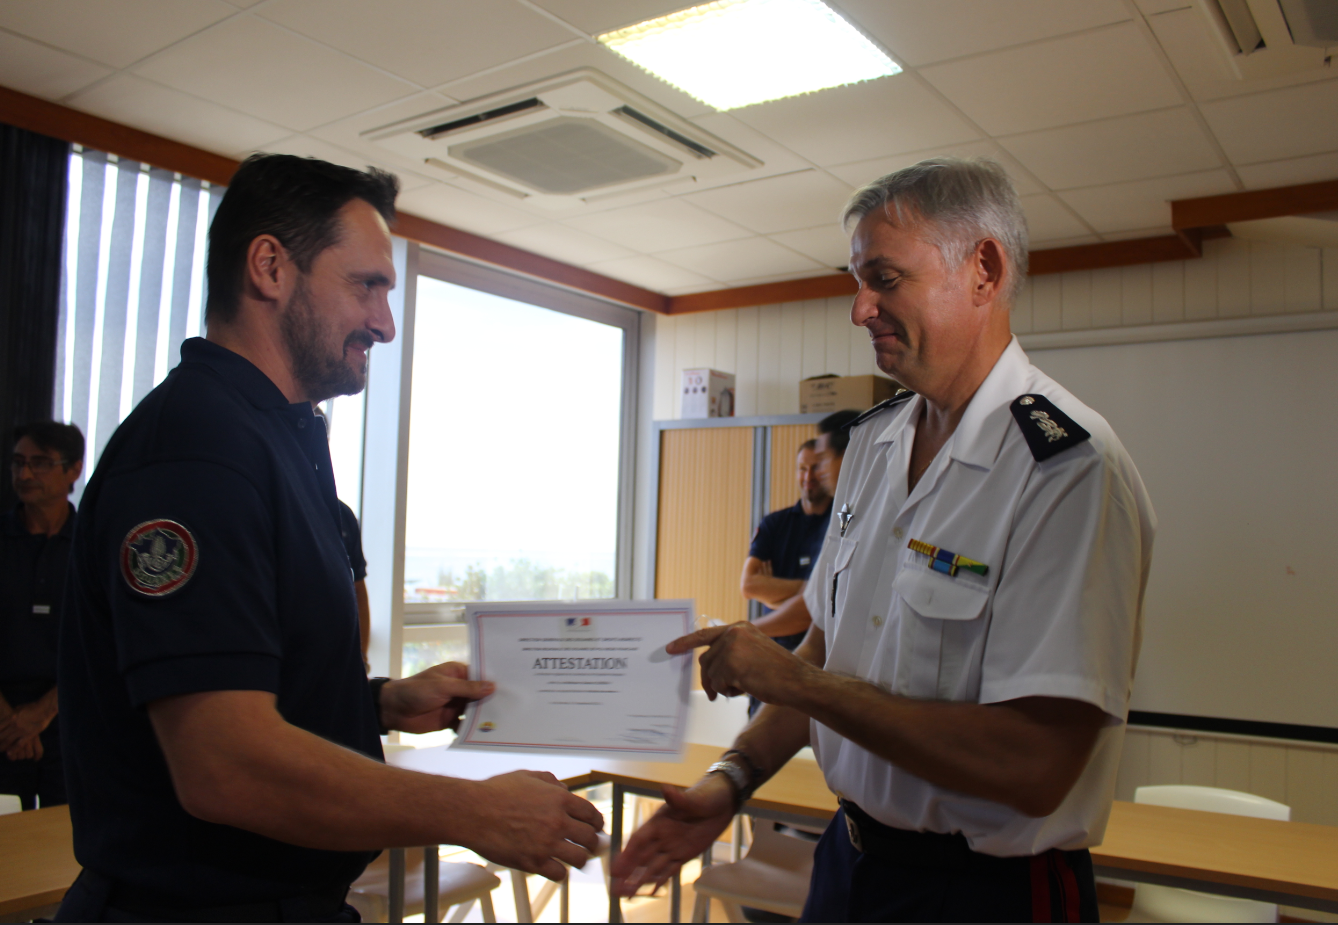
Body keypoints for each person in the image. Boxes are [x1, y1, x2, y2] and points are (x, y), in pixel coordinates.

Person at [56, 154, 602, 923]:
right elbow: (223, 762)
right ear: (271, 267)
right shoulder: (197, 449)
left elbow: (252, 683)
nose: (384, 322)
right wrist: (476, 812)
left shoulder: (277, 438)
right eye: (367, 285)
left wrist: (375, 701)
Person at [612, 157, 1156, 923]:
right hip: (850, 863)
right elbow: (830, 651)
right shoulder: (870, 446)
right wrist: (729, 779)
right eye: (856, 280)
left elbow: (1035, 766)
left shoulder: (1064, 467)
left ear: (984, 270)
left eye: (885, 278)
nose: (860, 308)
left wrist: (793, 681)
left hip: (986, 893)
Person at [0, 422, 83, 809]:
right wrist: (11, 724)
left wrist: (41, 714)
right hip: (3, 718)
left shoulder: (93, 544)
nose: (26, 474)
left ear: (74, 470)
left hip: (67, 715)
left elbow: (103, 643)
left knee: (59, 845)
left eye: (41, 463)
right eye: (18, 463)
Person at [746, 410, 860, 648]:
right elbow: (748, 585)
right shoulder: (844, 513)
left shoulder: (851, 515)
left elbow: (813, 607)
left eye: (822, 460)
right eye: (803, 468)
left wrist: (743, 631)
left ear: (845, 457)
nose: (817, 473)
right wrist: (805, 589)